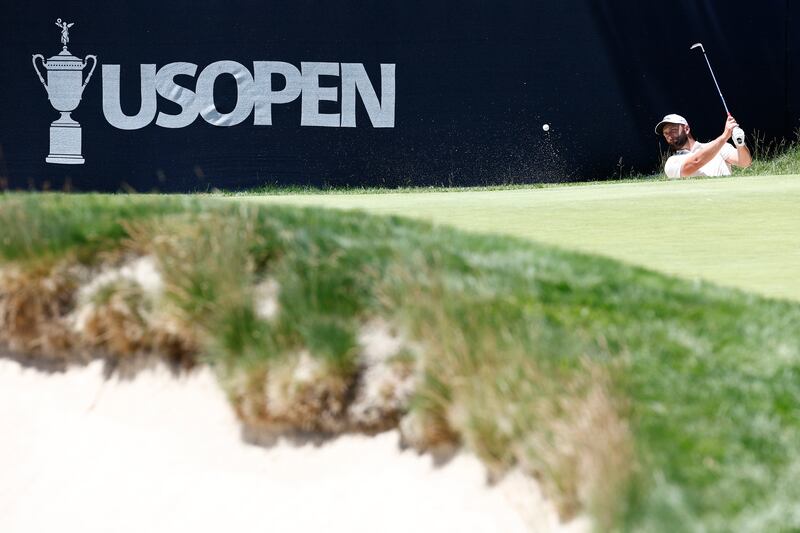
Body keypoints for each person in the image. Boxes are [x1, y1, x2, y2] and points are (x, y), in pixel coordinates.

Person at [654, 113, 751, 178]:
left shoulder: (719, 146)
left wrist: (740, 144)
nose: (669, 135)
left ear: (686, 129)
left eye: (673, 130)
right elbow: (695, 162)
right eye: (665, 133)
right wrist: (725, 136)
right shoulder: (671, 163)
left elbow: (745, 162)